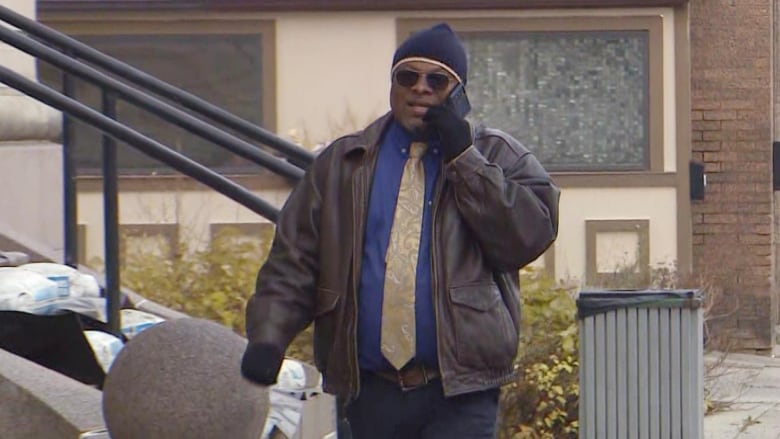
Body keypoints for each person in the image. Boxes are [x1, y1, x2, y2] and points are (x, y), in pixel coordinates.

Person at [241, 22, 560, 439]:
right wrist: (269, 337)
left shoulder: (496, 155)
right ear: (393, 85)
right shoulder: (343, 164)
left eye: (437, 80)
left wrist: (464, 160)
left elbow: (528, 236)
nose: (421, 89)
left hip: (460, 392)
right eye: (407, 76)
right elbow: (294, 261)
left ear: (459, 93)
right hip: (371, 390)